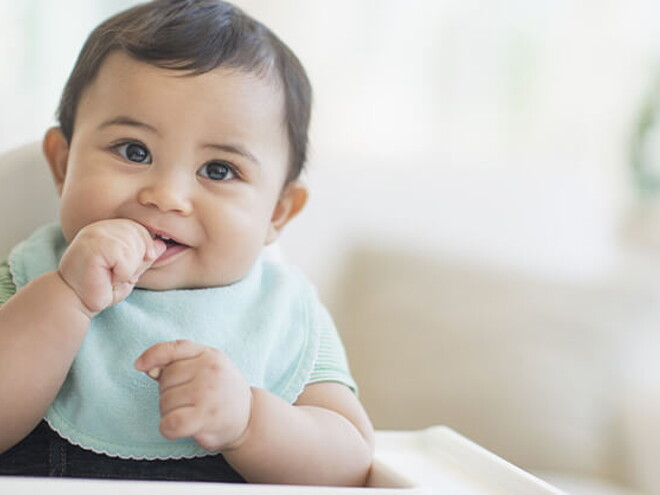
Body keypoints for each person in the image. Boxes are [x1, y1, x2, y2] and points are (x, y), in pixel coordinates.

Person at [0, 0, 374, 486]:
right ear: (63, 164)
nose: (167, 196)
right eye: (134, 151)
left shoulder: (283, 312)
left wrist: (248, 421)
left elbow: (351, 464)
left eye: (219, 170)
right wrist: (65, 298)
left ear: (277, 213)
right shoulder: (23, 278)